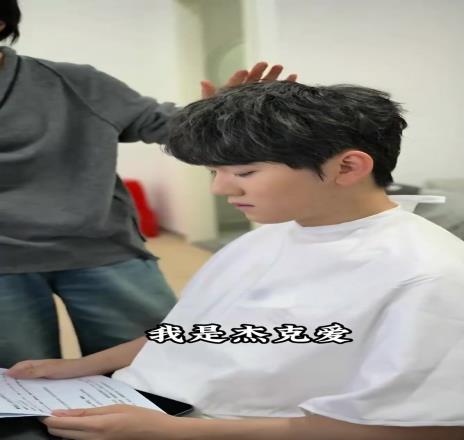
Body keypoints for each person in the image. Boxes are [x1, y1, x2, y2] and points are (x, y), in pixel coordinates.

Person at [7, 81, 464, 439]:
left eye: (244, 172)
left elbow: (429, 431)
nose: (221, 189)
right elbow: (203, 331)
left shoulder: (431, 279)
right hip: (154, 405)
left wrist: (171, 432)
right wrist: (83, 366)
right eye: (215, 172)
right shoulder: (269, 238)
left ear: (348, 166)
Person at [0, 0, 295, 368]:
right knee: (18, 382)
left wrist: (225, 115)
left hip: (100, 249)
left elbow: (172, 127)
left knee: (159, 365)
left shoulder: (75, 83)